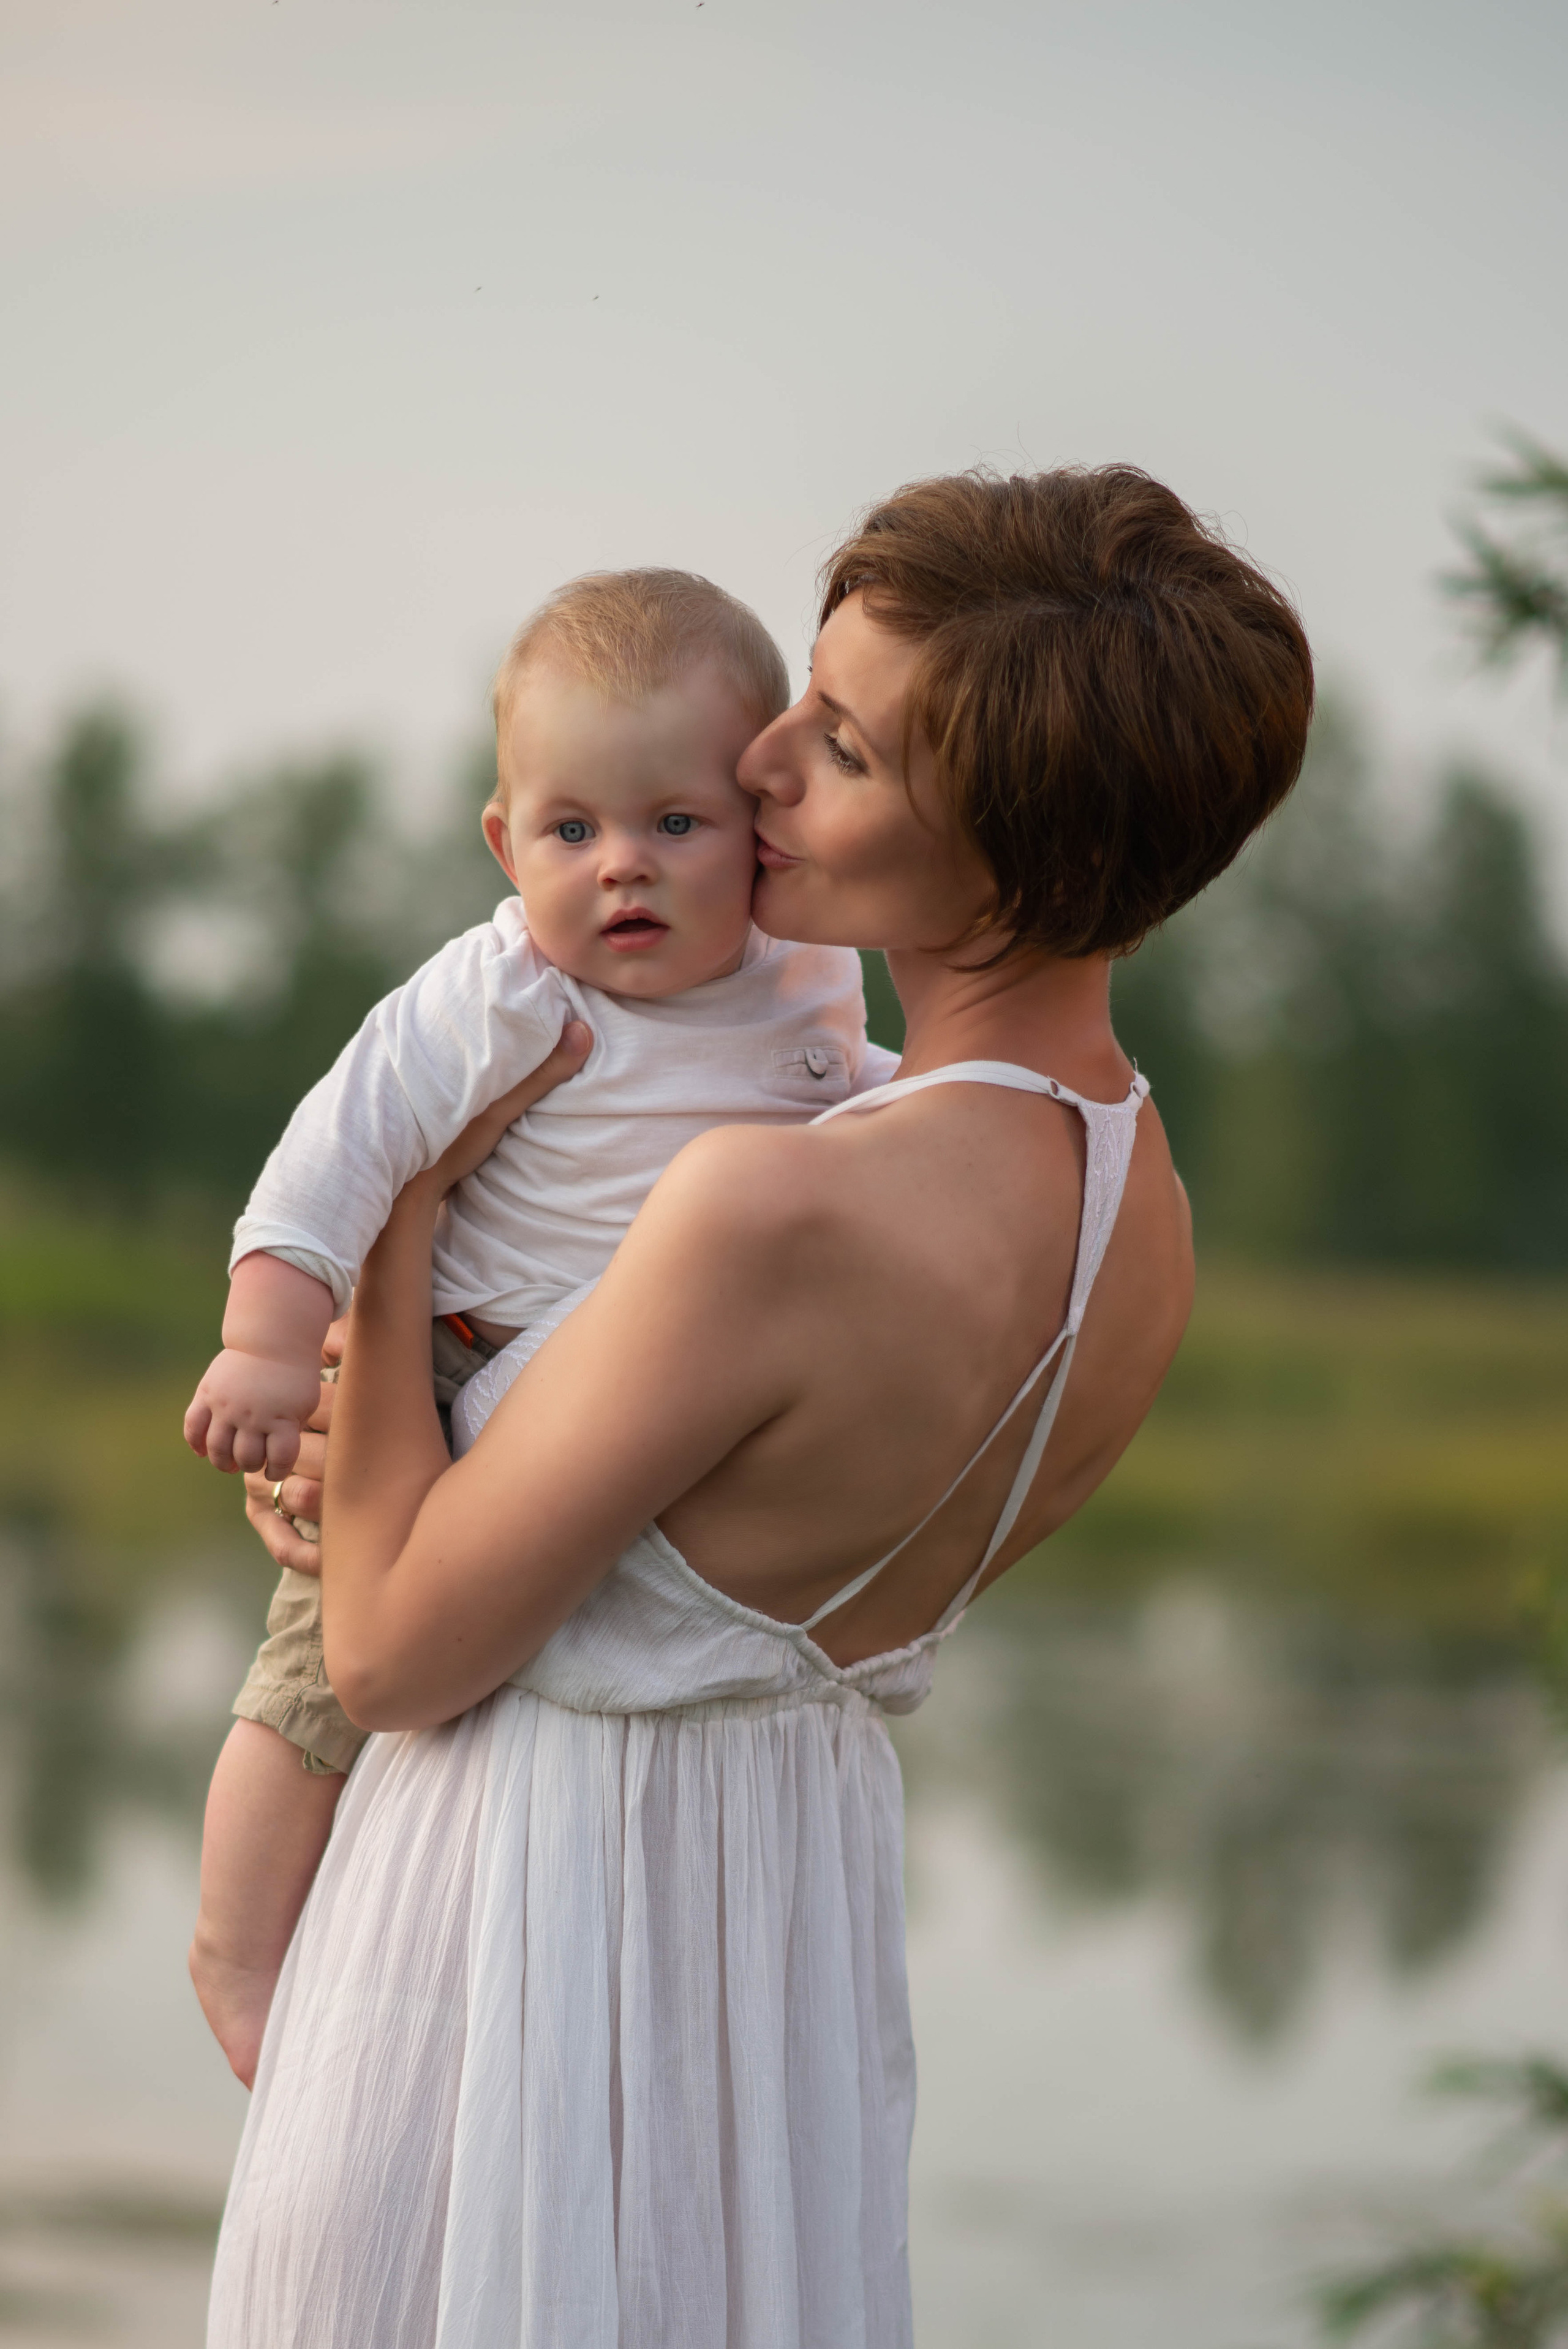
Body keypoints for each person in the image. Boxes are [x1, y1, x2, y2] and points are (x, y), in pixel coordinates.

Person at [207, 464, 1313, 2349]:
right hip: (772, 1968)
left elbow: (386, 1651)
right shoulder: (1146, 1214)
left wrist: (398, 1232)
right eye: (804, 697)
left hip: (525, 1948)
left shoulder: (772, 1201)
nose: (767, 762)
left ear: (1017, 862)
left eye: (848, 752)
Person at [185, 570, 897, 2081]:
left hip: (626, 1409)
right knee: (317, 1678)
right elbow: (340, 1151)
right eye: (573, 832)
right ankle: (239, 1959)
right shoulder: (502, 992)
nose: (621, 868)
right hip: (448, 1369)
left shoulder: (811, 983)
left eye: (674, 825)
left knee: (466, 1695)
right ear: (507, 845)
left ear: (755, 832)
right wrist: (266, 1341)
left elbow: (866, 1110)